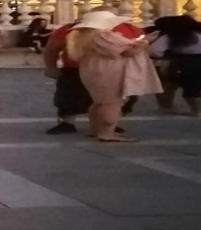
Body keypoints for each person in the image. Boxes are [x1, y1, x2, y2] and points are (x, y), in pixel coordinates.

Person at [43, 8, 143, 135]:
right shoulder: (72, 29)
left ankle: (105, 124)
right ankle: (69, 122)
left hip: (114, 71)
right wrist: (51, 67)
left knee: (108, 101)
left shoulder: (130, 28)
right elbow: (53, 48)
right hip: (78, 69)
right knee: (72, 96)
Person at [65, 11, 162, 142]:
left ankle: (96, 129)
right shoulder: (102, 35)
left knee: (99, 101)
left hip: (94, 70)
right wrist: (146, 41)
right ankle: (107, 132)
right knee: (112, 102)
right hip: (110, 71)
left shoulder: (82, 36)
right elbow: (129, 51)